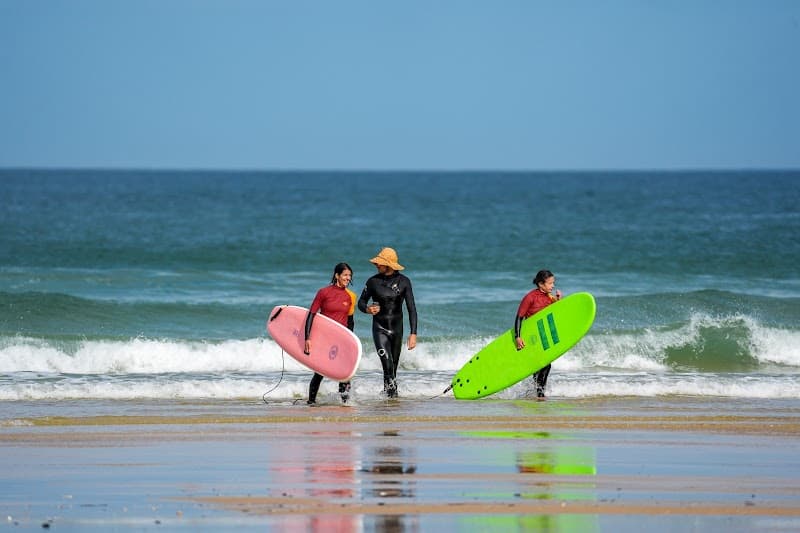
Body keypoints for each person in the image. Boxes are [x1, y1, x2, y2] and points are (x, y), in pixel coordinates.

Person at [357, 247, 417, 398]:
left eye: (379, 263)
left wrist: (413, 334)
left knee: (392, 369)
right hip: (380, 329)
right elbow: (361, 302)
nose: (376, 265)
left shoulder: (404, 282)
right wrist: (368, 309)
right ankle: (393, 396)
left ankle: (389, 401)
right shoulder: (372, 282)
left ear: (388, 264)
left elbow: (411, 309)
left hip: (397, 330)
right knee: (387, 363)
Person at [304, 262, 357, 405]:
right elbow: (311, 315)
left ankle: (345, 404)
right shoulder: (324, 292)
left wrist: (350, 342)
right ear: (337, 275)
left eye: (350, 276)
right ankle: (311, 402)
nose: (348, 278)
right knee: (320, 371)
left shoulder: (351, 296)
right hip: (325, 339)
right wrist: (307, 338)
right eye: (345, 275)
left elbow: (350, 321)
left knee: (344, 374)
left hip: (342, 339)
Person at [515, 269, 562, 400]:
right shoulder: (530, 297)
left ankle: (537, 392)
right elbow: (519, 317)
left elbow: (553, 314)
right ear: (541, 284)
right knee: (544, 364)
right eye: (550, 283)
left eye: (553, 283)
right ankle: (539, 393)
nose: (553, 286)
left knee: (544, 365)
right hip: (532, 338)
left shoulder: (550, 297)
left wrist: (558, 301)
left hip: (544, 337)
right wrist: (517, 337)